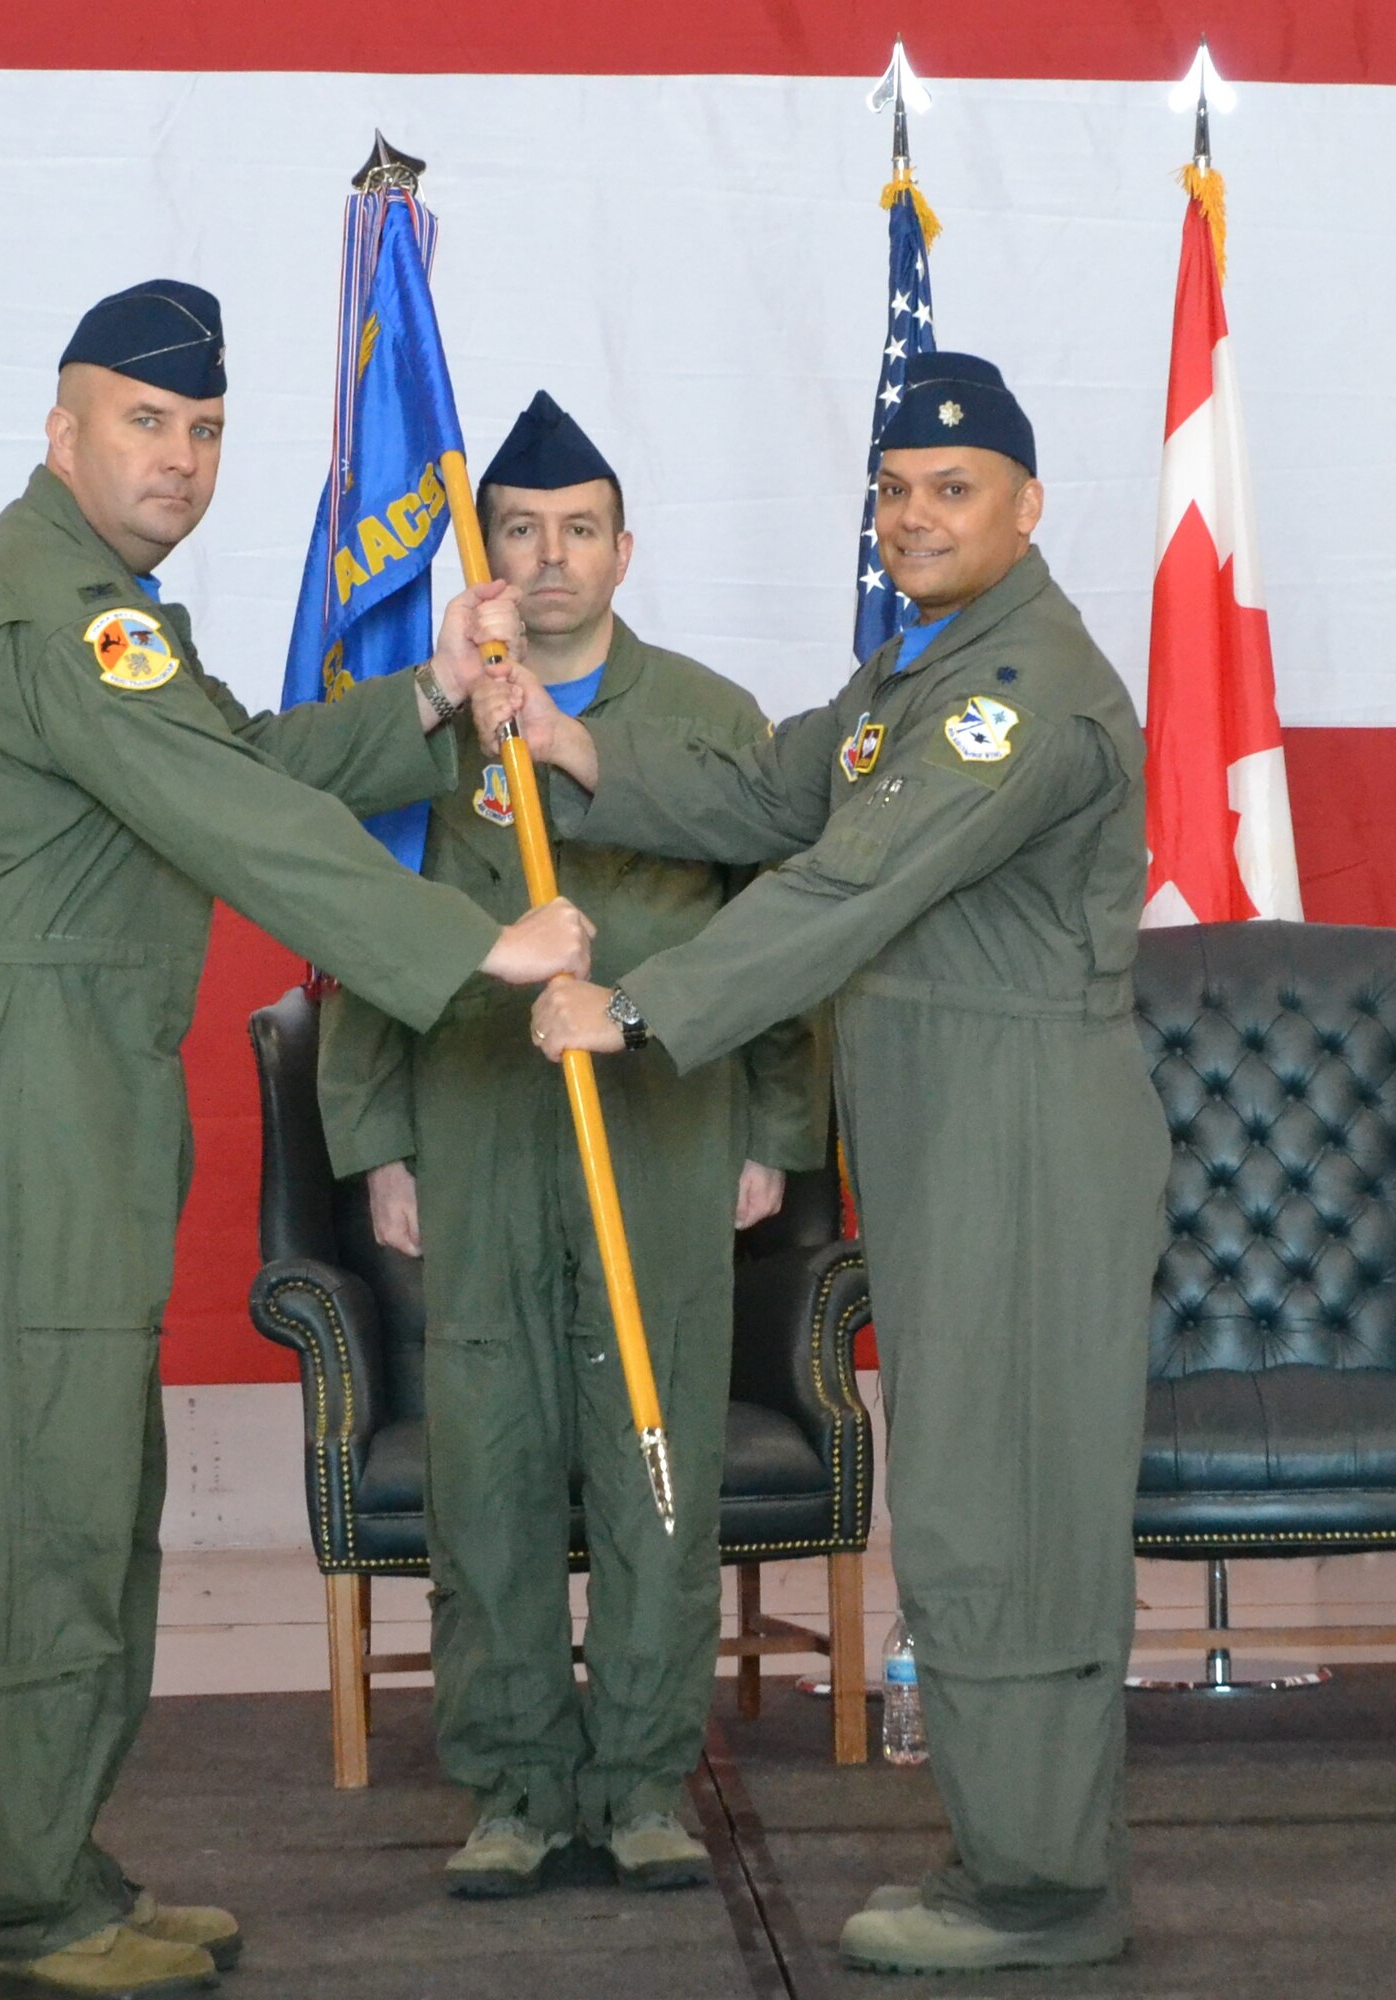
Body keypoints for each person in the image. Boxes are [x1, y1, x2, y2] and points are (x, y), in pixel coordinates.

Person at [0, 282, 593, 2000]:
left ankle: (60, 1866)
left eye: (202, 433)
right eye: (143, 421)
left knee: (89, 1494)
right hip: (17, 1082)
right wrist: (471, 947)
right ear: (63, 429)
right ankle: (20, 1914)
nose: (179, 457)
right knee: (34, 1504)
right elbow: (232, 812)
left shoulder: (117, 611)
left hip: (72, 1081)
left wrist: (422, 692)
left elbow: (244, 753)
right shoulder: (63, 610)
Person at [496, 354, 1171, 1975]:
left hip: (1025, 1139)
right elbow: (768, 791)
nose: (916, 514)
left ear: (1027, 505)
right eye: (895, 489)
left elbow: (848, 884)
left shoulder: (1022, 692)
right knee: (968, 1502)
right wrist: (558, 735)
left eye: (955, 488)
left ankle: (1039, 1893)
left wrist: (638, 1008)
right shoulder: (914, 677)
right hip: (950, 1138)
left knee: (1007, 1512)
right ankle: (1020, 1859)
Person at [317, 391, 826, 1898]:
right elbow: (364, 925)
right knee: (493, 1456)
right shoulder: (433, 713)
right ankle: (515, 1784)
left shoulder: (709, 720)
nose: (549, 561)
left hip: (667, 1125)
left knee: (653, 1448)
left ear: (624, 549)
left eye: (579, 532)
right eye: (520, 533)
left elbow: (783, 936)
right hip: (476, 1120)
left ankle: (647, 1775)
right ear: (489, 553)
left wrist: (776, 1132)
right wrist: (379, 1142)